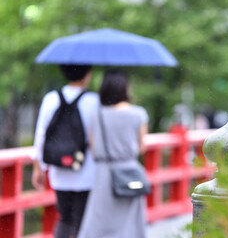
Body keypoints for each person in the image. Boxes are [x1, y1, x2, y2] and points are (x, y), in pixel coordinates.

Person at [78, 70, 149, 238]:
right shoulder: (138, 113)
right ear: (125, 89)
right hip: (130, 172)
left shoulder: (97, 116)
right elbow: (142, 147)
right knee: (130, 222)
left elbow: (94, 148)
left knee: (100, 220)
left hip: (105, 172)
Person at [31, 64, 99, 238]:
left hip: (59, 167)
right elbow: (97, 139)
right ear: (87, 74)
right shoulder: (93, 100)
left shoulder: (51, 98)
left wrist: (38, 167)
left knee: (65, 218)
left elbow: (41, 134)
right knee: (82, 220)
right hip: (86, 169)